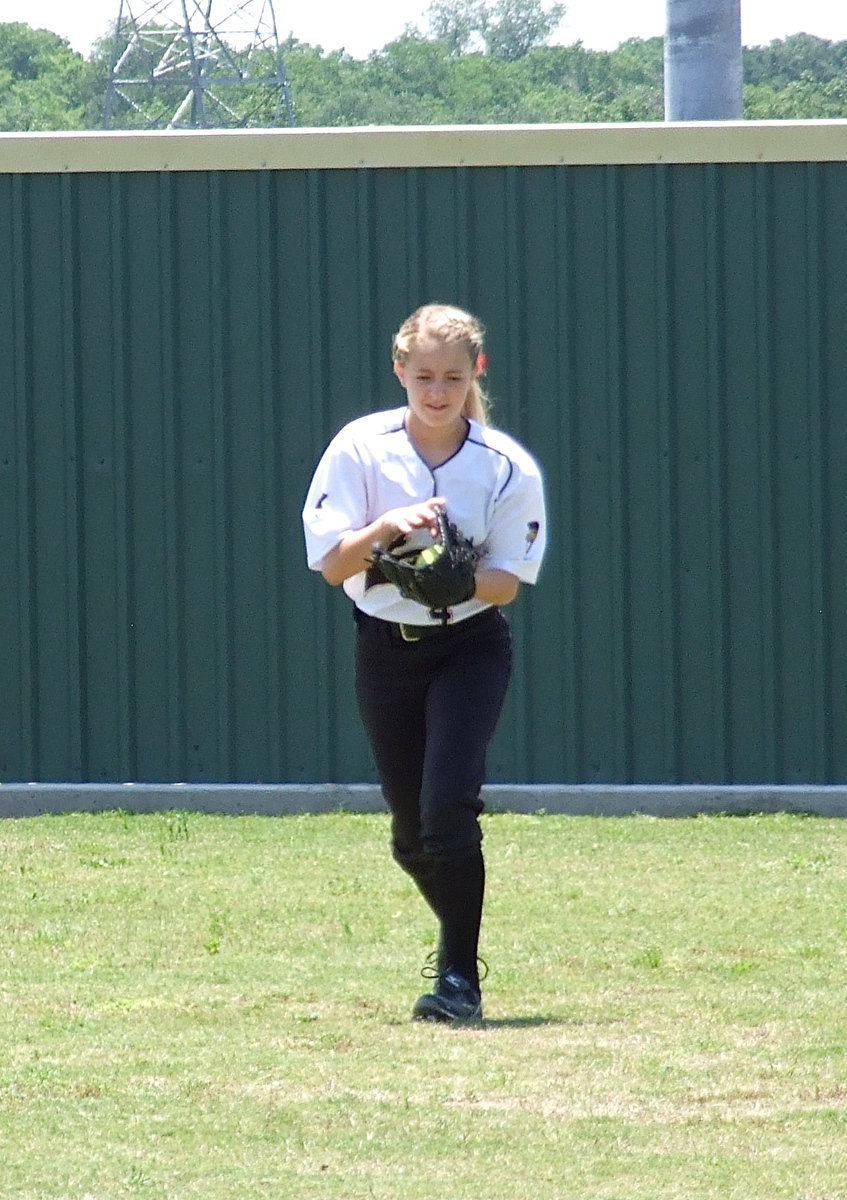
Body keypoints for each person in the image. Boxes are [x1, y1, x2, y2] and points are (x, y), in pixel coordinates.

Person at [302, 303, 546, 1023]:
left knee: (447, 814)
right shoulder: (360, 448)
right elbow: (329, 564)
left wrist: (456, 582)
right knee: (411, 838)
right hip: (384, 647)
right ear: (398, 371)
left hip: (468, 645)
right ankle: (456, 938)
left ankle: (457, 980)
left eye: (450, 376)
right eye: (422, 376)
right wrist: (381, 530)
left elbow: (508, 581)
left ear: (476, 371)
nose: (436, 391)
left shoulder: (504, 467)